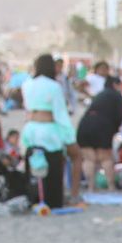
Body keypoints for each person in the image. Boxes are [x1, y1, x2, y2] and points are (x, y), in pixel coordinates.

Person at [21, 52, 77, 208]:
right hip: (49, 131)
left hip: (31, 129)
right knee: (53, 167)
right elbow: (60, 113)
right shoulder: (54, 86)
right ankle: (53, 200)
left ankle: (34, 198)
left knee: (33, 165)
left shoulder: (27, 85)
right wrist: (69, 136)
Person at [76, 74, 122, 193]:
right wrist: (114, 130)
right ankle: (111, 187)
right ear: (115, 85)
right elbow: (119, 116)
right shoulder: (117, 96)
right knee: (105, 158)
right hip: (103, 126)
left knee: (89, 158)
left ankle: (91, 187)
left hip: (84, 125)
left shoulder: (100, 95)